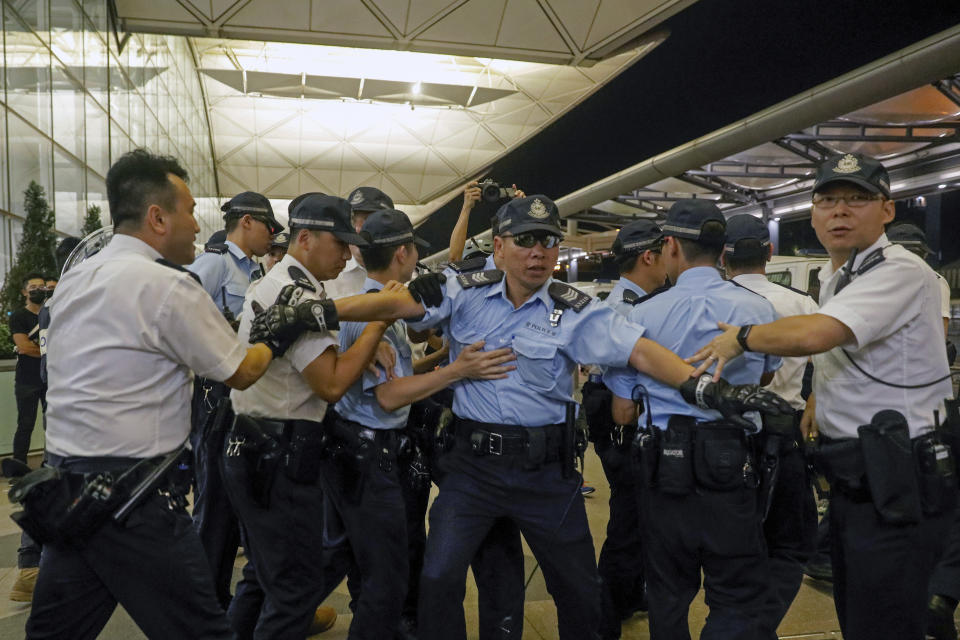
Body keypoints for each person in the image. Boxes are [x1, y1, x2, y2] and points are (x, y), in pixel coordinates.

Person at [383, 195, 791, 640]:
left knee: (579, 588)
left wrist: (704, 386)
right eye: (525, 241)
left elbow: (640, 351)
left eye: (548, 241)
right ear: (499, 248)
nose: (538, 252)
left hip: (546, 476)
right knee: (440, 577)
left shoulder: (577, 311)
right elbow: (403, 314)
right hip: (472, 470)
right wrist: (348, 308)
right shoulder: (465, 293)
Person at [24, 149, 307, 640]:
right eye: (190, 211)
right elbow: (241, 371)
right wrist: (280, 332)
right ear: (157, 217)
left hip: (68, 496)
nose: (198, 226)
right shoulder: (167, 286)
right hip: (138, 504)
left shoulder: (73, 282)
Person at [688, 152, 956, 640]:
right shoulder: (839, 276)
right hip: (861, 477)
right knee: (862, 615)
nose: (840, 212)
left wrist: (742, 337)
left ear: (887, 211)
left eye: (857, 200)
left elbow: (819, 334)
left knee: (889, 621)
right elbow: (849, 359)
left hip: (899, 481)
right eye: (827, 200)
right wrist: (816, 404)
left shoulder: (900, 270)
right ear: (812, 213)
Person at [322, 208, 516, 639]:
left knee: (378, 568)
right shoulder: (372, 319)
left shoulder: (379, 306)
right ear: (404, 253)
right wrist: (456, 371)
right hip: (368, 457)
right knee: (384, 583)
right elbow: (390, 395)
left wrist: (444, 359)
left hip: (368, 454)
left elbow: (403, 374)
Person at [604, 200, 781, 640]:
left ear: (670, 247)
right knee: (736, 592)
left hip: (665, 469)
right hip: (733, 467)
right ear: (721, 252)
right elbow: (764, 374)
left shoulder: (640, 314)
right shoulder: (757, 310)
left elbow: (622, 411)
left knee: (667, 591)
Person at [223, 193, 396, 638]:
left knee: (265, 580)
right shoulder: (293, 293)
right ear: (305, 238)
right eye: (338, 242)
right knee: (295, 592)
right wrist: (377, 327)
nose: (346, 253)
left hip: (260, 448)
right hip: (278, 457)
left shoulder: (299, 285)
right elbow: (332, 383)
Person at [721, 213, 819, 638]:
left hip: (722, 437)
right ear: (770, 252)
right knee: (791, 545)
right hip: (785, 433)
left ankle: (738, 624)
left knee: (733, 547)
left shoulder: (713, 300)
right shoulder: (801, 303)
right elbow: (828, 371)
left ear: (723, 256)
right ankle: (756, 628)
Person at [186, 190, 284, 608]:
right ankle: (208, 604)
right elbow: (183, 316)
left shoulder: (255, 271)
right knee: (216, 506)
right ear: (246, 222)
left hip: (242, 393)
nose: (271, 235)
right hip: (215, 396)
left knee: (239, 501)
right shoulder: (215, 264)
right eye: (268, 226)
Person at [583, 220, 666, 639]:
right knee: (630, 516)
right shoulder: (626, 306)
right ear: (648, 256)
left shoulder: (636, 300)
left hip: (621, 411)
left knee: (636, 512)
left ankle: (629, 593)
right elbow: (622, 375)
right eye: (666, 252)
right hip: (620, 414)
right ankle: (606, 610)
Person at [324, 186, 394, 299]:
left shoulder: (409, 274)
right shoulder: (328, 277)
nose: (357, 229)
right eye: (351, 221)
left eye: (368, 220)